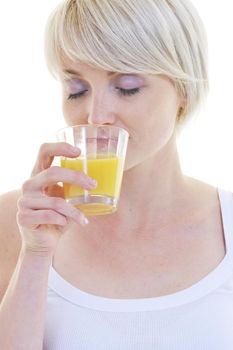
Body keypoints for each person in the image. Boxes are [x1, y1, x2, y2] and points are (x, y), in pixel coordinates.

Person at [0, 0, 232, 349]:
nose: (95, 116)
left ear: (182, 90)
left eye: (126, 86)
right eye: (76, 89)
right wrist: (35, 254)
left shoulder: (226, 224)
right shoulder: (16, 222)